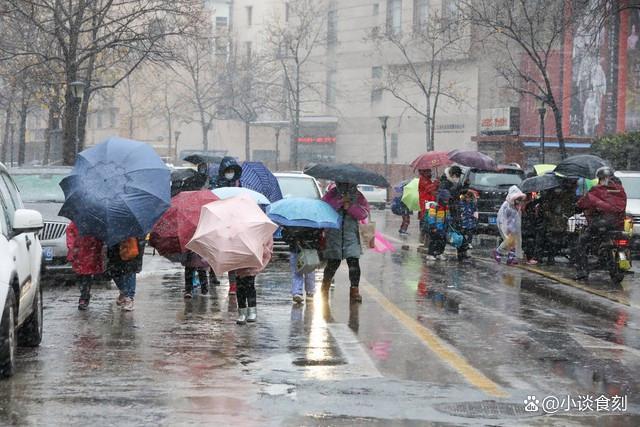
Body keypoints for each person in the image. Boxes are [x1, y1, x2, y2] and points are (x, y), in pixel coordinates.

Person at [574, 167, 627, 280]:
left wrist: (578, 206)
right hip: (617, 224)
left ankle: (582, 271)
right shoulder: (620, 190)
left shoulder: (596, 190)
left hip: (601, 225)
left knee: (581, 242)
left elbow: (584, 202)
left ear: (599, 178)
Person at [321, 182, 370, 303]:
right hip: (334, 234)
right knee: (333, 262)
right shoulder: (332, 194)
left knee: (353, 262)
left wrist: (350, 206)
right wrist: (339, 203)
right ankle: (325, 287)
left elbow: (363, 214)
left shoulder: (358, 196)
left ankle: (354, 290)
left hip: (351, 234)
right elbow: (323, 208)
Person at [213, 156, 243, 295]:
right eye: (228, 170)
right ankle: (212, 275)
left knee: (232, 255)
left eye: (232, 170)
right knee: (216, 253)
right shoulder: (217, 183)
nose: (230, 173)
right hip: (219, 222)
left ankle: (233, 284)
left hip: (234, 223)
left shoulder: (238, 184)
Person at [66, 222, 105, 310]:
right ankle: (84, 295)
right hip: (81, 253)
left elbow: (99, 239)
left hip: (89, 253)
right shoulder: (75, 224)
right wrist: (73, 248)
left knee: (86, 275)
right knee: (81, 275)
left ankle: (84, 296)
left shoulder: (94, 223)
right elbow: (70, 235)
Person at [235, 238, 274, 325]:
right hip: (239, 257)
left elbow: (268, 242)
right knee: (240, 286)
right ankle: (242, 312)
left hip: (253, 257)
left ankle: (252, 311)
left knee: (249, 284)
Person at [539, 179, 577, 264]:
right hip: (552, 221)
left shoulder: (568, 197)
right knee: (544, 234)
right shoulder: (549, 198)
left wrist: (565, 216)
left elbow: (570, 210)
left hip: (564, 221)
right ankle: (544, 255)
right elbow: (546, 210)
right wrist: (553, 218)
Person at [283, 226, 323, 303]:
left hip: (299, 249)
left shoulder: (292, 222)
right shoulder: (313, 223)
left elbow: (285, 236)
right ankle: (307, 292)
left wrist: (294, 237)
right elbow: (318, 236)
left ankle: (299, 292)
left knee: (299, 271)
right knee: (308, 270)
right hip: (305, 249)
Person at [107, 237, 146, 311]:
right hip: (115, 247)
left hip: (130, 246)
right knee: (114, 271)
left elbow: (140, 240)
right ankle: (124, 291)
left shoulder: (135, 229)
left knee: (130, 270)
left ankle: (129, 297)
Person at [495, 186, 526, 265]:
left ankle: (511, 257)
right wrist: (507, 228)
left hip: (513, 228)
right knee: (509, 241)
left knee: (514, 242)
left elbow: (517, 218)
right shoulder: (506, 205)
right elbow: (502, 218)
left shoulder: (516, 206)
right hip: (507, 227)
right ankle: (498, 252)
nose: (519, 201)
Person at [425, 189, 450, 260]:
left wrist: (448, 224)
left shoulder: (446, 207)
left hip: (443, 227)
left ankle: (439, 253)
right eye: (445, 199)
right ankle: (430, 254)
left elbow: (447, 216)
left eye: (447, 199)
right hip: (435, 228)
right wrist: (433, 226)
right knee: (434, 241)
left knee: (443, 241)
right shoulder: (434, 206)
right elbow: (431, 217)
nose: (446, 201)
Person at [418, 169, 439, 243]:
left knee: (429, 218)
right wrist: (436, 183)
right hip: (425, 202)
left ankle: (426, 236)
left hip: (429, 202)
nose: (430, 173)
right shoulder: (423, 180)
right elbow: (429, 189)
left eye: (430, 171)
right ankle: (423, 235)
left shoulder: (428, 180)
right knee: (426, 218)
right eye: (428, 172)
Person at [521, 193, 543, 265]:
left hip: (529, 226)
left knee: (530, 241)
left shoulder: (531, 204)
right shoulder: (526, 205)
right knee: (529, 241)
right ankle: (529, 257)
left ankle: (530, 257)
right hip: (527, 227)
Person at [457, 190, 478, 261]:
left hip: (470, 224)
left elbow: (475, 213)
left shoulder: (472, 204)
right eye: (467, 197)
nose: (468, 199)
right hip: (462, 224)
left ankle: (465, 254)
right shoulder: (461, 204)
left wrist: (475, 222)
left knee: (468, 241)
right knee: (461, 240)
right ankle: (460, 255)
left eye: (470, 198)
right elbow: (458, 212)